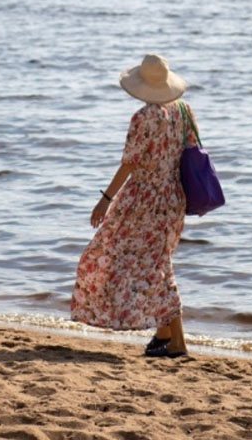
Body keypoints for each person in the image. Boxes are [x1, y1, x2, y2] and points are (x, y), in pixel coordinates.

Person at [71, 53, 200, 358]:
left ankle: (178, 341)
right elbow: (190, 150)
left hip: (144, 198)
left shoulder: (144, 117)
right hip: (173, 197)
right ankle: (163, 335)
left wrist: (105, 200)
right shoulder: (183, 110)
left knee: (130, 260)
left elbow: (130, 164)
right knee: (155, 262)